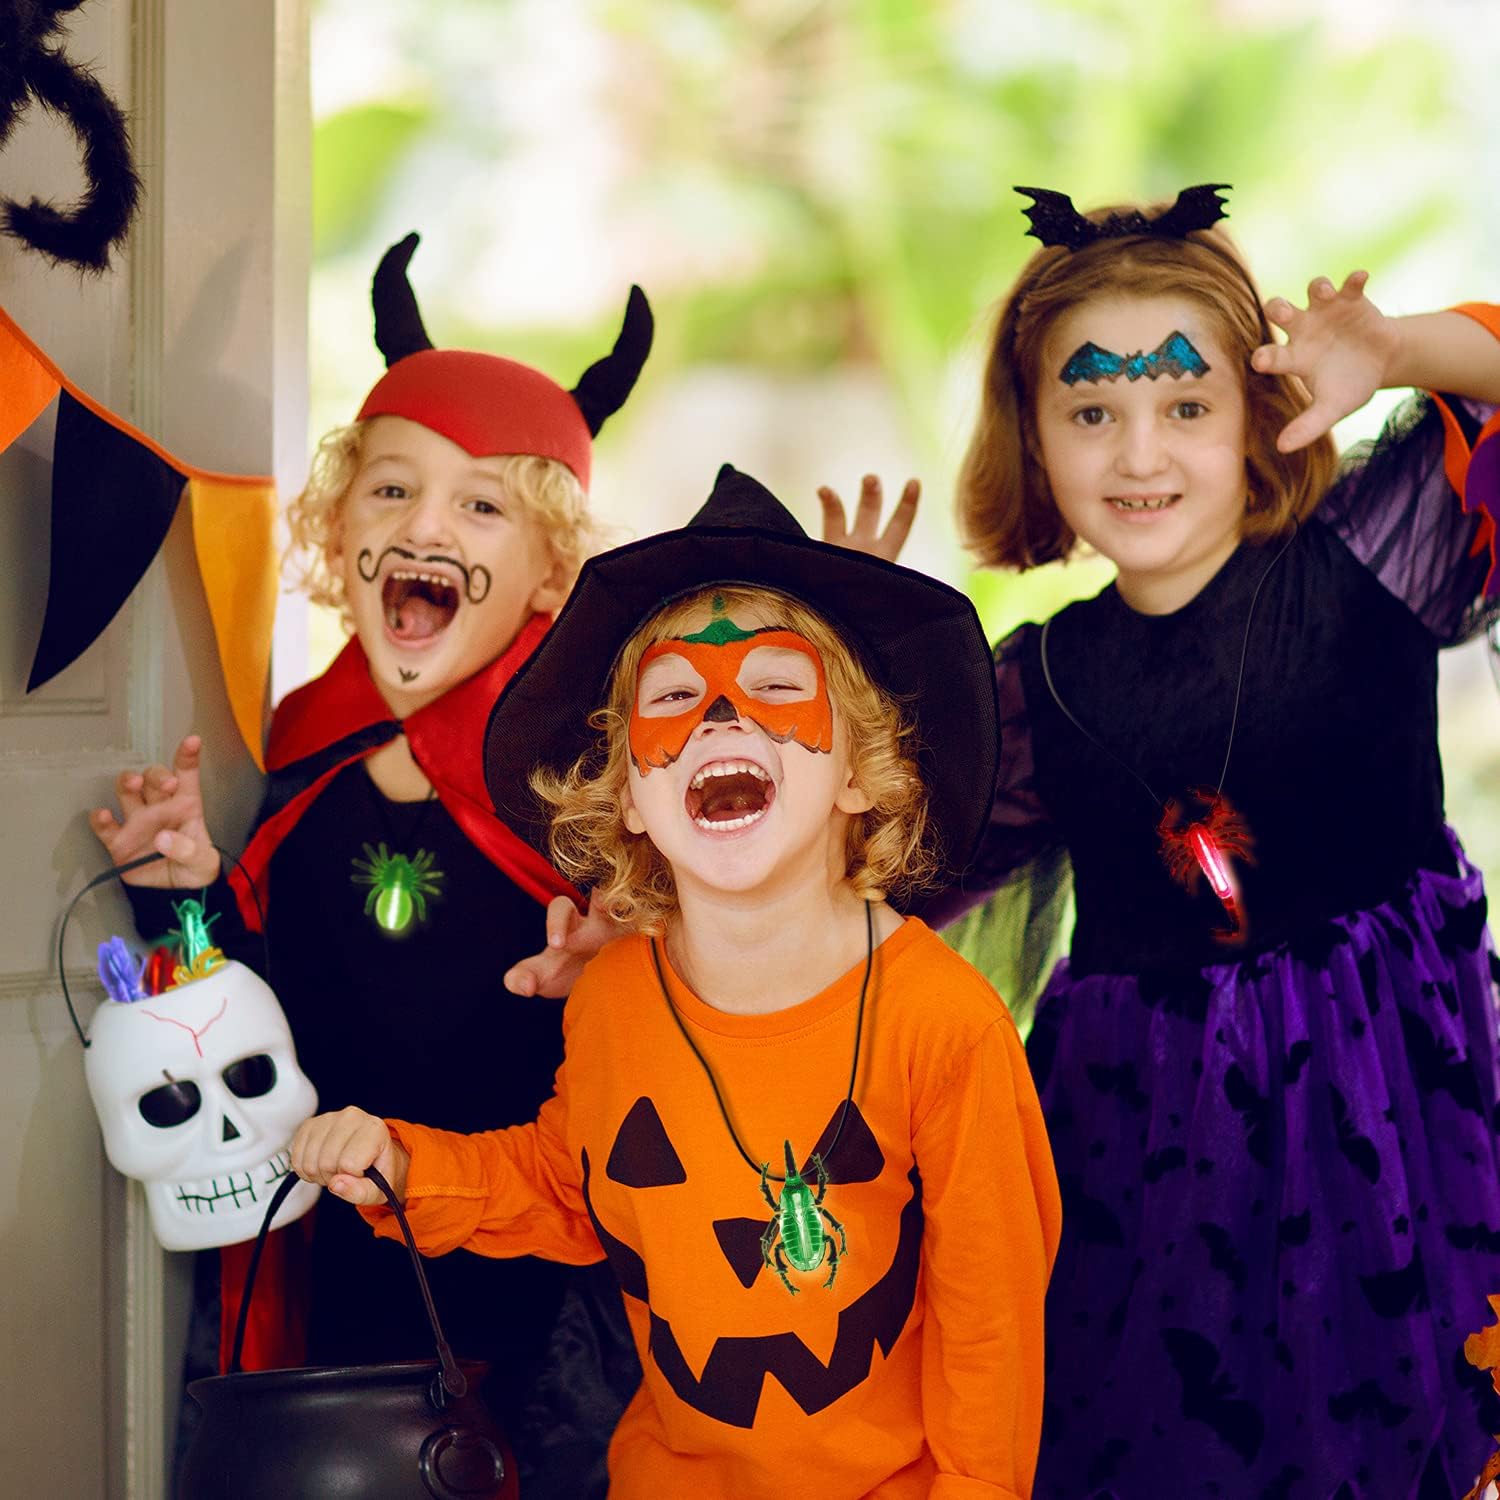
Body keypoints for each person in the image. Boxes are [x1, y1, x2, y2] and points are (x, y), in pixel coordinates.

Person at [290, 464, 1062, 1500]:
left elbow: (993, 1327)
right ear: (630, 799)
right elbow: (571, 1189)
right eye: (673, 698)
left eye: (776, 687)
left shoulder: (945, 1025)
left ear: (856, 774)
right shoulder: (615, 997)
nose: (719, 717)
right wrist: (401, 1164)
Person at [930, 183, 1500, 1499]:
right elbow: (874, 891)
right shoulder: (1034, 687)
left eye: (1187, 406)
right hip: (1153, 1178)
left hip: (1392, 1127)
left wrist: (1397, 351)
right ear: (1034, 438)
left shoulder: (1374, 556)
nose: (1141, 455)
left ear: (1257, 408)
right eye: (1092, 414)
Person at [87, 232, 652, 1496]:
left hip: (522, 1267)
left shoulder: (581, 777)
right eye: (391, 489)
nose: (424, 525)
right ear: (337, 526)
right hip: (330, 1252)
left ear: (549, 573)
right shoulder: (307, 744)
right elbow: (244, 999)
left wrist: (620, 968)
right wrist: (183, 894)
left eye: (482, 505)